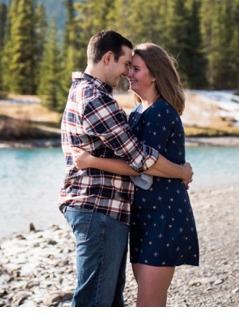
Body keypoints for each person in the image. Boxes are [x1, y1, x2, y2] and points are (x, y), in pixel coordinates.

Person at [58, 30, 194, 307]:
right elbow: (140, 160)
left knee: (106, 300)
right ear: (108, 58)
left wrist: (178, 172)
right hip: (100, 208)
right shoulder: (96, 98)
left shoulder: (94, 95)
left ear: (155, 74)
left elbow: (141, 161)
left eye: (134, 68)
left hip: (117, 212)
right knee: (97, 301)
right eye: (125, 65)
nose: (126, 74)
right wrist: (182, 172)